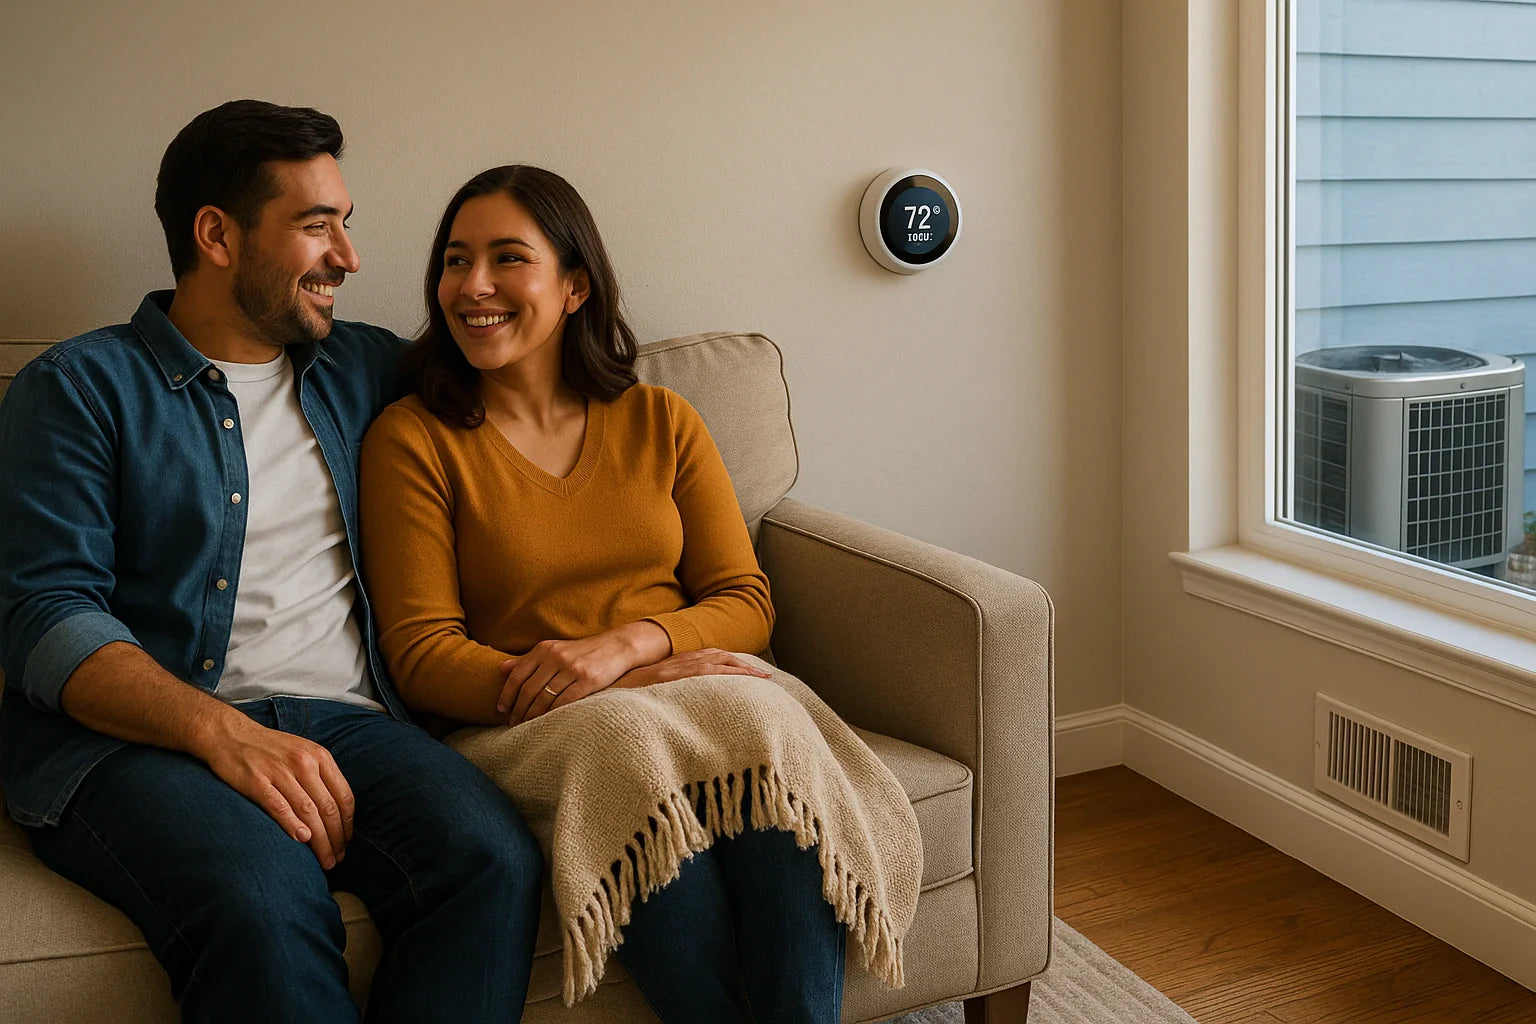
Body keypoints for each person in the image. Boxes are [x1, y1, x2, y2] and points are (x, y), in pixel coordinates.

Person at [0, 101, 544, 1024]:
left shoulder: (370, 370)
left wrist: (655, 639)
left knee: (491, 861)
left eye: (347, 223)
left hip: (354, 722)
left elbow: (542, 393)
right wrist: (219, 732)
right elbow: (45, 618)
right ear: (216, 234)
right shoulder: (80, 388)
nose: (349, 257)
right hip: (140, 745)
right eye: (315, 225)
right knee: (263, 900)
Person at [358, 165, 847, 1024]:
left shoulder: (662, 419)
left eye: (508, 259)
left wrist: (631, 645)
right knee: (626, 744)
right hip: (524, 727)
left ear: (576, 284)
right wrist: (612, 687)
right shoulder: (414, 439)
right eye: (454, 261)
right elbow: (424, 656)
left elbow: (744, 599)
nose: (471, 287)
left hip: (681, 688)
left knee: (769, 717)